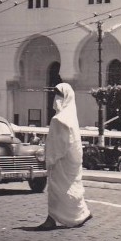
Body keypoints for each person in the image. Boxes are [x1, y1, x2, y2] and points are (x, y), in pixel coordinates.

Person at [34, 83, 92, 231]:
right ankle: (82, 213)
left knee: (57, 188)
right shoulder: (72, 118)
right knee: (72, 186)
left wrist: (50, 159)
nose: (56, 98)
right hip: (72, 160)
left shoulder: (59, 120)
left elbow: (59, 144)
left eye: (59, 95)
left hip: (61, 160)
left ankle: (51, 219)